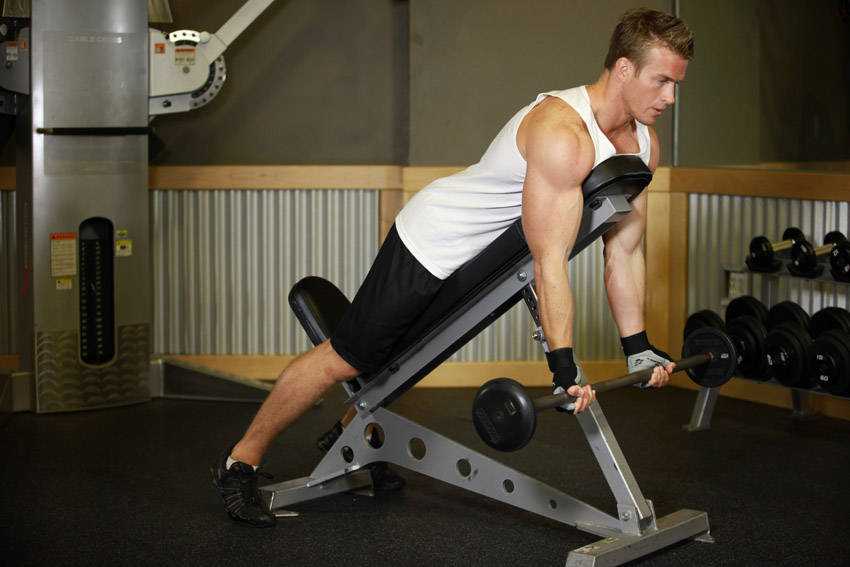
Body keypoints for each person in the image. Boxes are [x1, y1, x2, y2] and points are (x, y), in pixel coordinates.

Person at [212, 8, 693, 527]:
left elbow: (623, 250)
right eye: (660, 80)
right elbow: (549, 259)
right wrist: (562, 364)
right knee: (351, 357)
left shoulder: (643, 144)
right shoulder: (562, 132)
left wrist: (637, 346)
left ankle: (352, 436)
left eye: (675, 83)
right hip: (432, 242)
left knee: (409, 358)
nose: (669, 97)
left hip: (480, 263)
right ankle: (241, 462)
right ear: (623, 69)